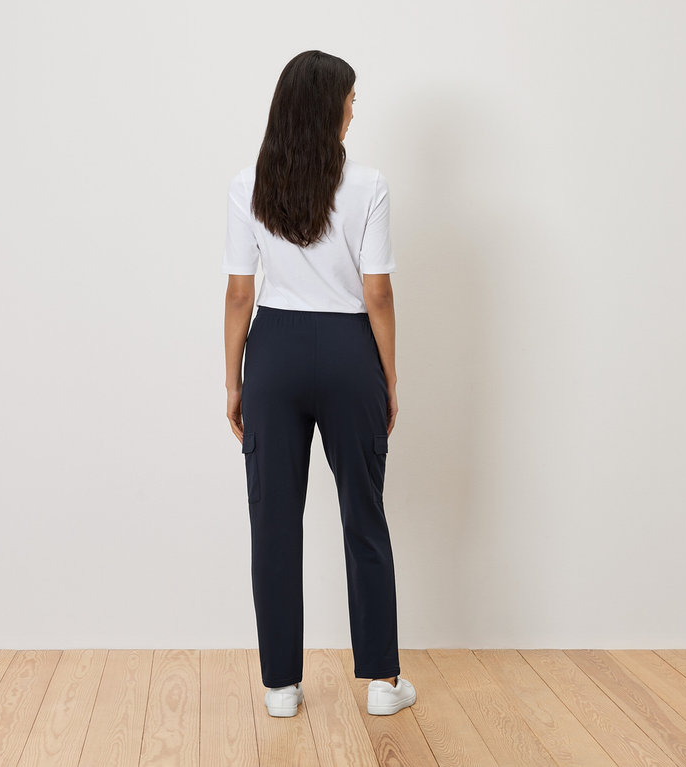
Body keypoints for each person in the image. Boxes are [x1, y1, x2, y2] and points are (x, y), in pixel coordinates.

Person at [222, 50, 416, 718]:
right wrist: (388, 375)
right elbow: (379, 292)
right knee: (364, 513)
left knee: (273, 520)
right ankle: (383, 683)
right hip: (346, 353)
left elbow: (239, 294)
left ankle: (281, 686)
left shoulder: (250, 182)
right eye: (351, 97)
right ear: (328, 104)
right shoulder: (368, 184)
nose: (354, 108)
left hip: (272, 352)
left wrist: (232, 381)